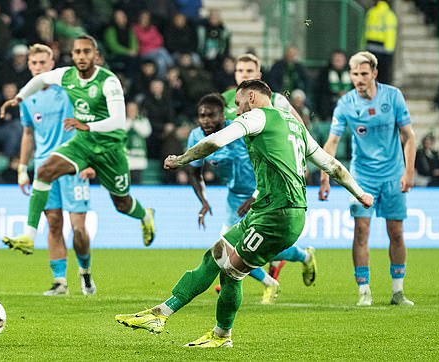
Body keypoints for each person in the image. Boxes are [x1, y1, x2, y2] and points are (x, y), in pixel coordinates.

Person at [115, 79, 373, 347]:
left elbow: (215, 141)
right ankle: (160, 314)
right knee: (216, 254)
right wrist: (359, 193)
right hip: (266, 209)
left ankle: (221, 335)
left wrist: (181, 159)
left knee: (231, 271)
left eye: (237, 104)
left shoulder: (257, 116)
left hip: (279, 214)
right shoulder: (295, 126)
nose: (236, 112)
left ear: (251, 97)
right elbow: (332, 165)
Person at [0, 35, 156, 252]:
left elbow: (119, 121)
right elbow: (40, 80)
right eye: (77, 52)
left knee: (122, 203)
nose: (81, 56)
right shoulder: (67, 75)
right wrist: (19, 97)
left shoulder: (109, 81)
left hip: (109, 149)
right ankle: (28, 236)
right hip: (81, 144)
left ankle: (145, 214)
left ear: (96, 56)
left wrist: (88, 126)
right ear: (72, 55)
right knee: (44, 171)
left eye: (86, 51)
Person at [187, 93, 317, 304]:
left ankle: (305, 257)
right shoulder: (195, 136)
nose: (206, 120)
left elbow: (268, 162)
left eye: (211, 115)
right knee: (227, 250)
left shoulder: (242, 130)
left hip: (264, 195)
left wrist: (255, 196)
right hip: (234, 198)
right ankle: (271, 282)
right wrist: (203, 201)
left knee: (263, 249)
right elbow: (194, 172)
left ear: (223, 115)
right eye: (202, 116)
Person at [319, 51, 416, 307]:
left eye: (364, 73)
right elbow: (332, 141)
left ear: (374, 73)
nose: (359, 79)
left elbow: (409, 136)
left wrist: (409, 171)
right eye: (354, 74)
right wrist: (325, 176)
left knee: (396, 232)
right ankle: (364, 291)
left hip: (393, 174)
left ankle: (398, 291)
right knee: (361, 230)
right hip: (362, 176)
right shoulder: (346, 104)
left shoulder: (393, 96)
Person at [14, 43, 96, 296]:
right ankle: (60, 281)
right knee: (53, 224)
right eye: (34, 63)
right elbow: (28, 133)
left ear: (52, 65)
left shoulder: (69, 90)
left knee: (78, 228)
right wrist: (22, 168)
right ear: (29, 66)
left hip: (72, 164)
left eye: (42, 63)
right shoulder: (26, 98)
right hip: (43, 166)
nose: (38, 67)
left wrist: (90, 161)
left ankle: (85, 272)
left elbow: (87, 124)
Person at [363, 0, 397, 84]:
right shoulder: (389, 15)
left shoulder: (371, 12)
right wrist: (389, 51)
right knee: (383, 77)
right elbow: (390, 34)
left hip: (370, 47)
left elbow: (365, 30)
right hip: (383, 50)